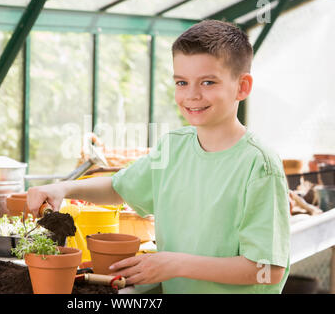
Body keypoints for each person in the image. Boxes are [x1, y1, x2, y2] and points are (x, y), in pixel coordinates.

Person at [27, 20, 290, 294]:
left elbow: (267, 270)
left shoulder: (259, 165)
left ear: (242, 87)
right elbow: (119, 187)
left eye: (208, 82)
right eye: (181, 82)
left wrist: (175, 265)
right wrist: (63, 187)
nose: (192, 95)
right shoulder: (174, 148)